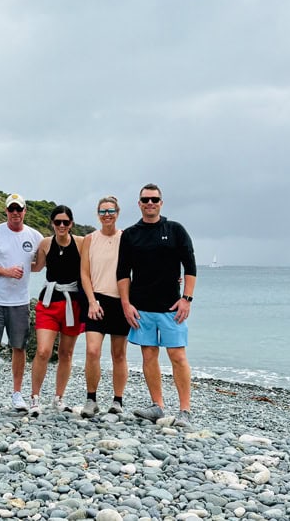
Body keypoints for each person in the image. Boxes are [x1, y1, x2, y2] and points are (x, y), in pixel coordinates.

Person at [117, 183, 197, 428]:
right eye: (145, 199)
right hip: (142, 308)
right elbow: (122, 272)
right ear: (139, 203)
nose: (150, 203)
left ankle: (185, 410)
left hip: (171, 308)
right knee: (149, 355)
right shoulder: (130, 234)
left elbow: (190, 266)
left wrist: (187, 298)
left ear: (161, 203)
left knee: (178, 356)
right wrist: (126, 304)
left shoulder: (175, 230)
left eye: (154, 199)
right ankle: (157, 406)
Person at [0, 193, 44, 413]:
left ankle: (17, 394)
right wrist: (4, 273)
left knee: (19, 347)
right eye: (11, 209)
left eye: (19, 209)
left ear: (25, 211)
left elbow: (38, 266)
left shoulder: (35, 236)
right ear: (6, 211)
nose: (15, 213)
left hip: (20, 302)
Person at [29, 205, 85, 417]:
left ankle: (58, 398)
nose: (61, 226)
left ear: (71, 224)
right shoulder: (45, 243)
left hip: (73, 304)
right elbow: (35, 267)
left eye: (66, 222)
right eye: (57, 222)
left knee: (66, 353)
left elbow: (97, 264)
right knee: (43, 351)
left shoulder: (81, 243)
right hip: (49, 303)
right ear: (52, 223)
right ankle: (35, 398)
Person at [79, 195, 128, 418]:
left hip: (120, 300)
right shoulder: (90, 239)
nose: (107, 215)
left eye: (110, 211)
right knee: (92, 350)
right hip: (96, 299)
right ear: (98, 215)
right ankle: (91, 399)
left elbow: (144, 265)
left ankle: (117, 401)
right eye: (102, 211)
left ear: (117, 213)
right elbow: (84, 273)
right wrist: (91, 301)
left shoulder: (126, 238)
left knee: (118, 354)